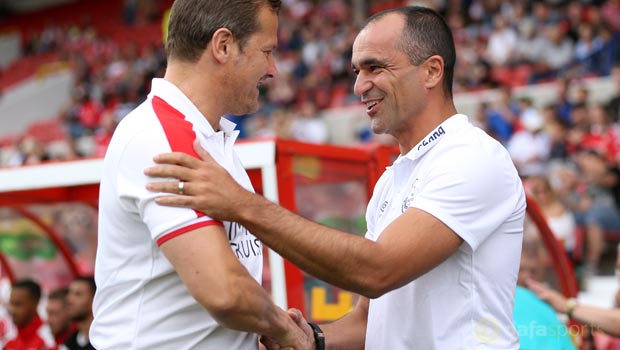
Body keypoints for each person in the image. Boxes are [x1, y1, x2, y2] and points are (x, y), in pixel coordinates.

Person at [145, 6, 527, 349]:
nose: (360, 86)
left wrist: (242, 205)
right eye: (357, 71)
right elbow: (370, 319)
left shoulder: (472, 157)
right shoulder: (394, 179)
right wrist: (312, 338)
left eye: (375, 67)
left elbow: (378, 269)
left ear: (431, 71)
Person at [90, 0, 309, 349]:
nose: (273, 69)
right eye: (267, 51)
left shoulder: (208, 138)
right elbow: (224, 292)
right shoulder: (162, 137)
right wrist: (284, 329)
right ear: (223, 46)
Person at [4, 279, 54, 350]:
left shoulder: (48, 339)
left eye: (18, 304)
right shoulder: (8, 341)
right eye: (11, 303)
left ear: (35, 303)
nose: (13, 310)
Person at [63, 277, 95, 350]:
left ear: (94, 300)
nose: (69, 299)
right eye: (69, 293)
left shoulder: (106, 341)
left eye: (78, 294)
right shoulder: (69, 343)